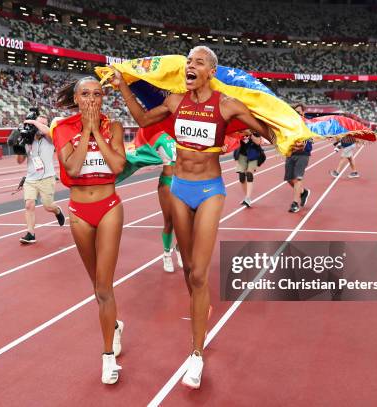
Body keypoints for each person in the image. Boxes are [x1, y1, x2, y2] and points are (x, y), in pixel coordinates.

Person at [110, 46, 276, 389]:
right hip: (179, 189)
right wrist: (123, 85)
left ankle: (196, 354)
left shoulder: (227, 105)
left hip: (210, 190)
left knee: (199, 273)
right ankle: (202, 306)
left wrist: (287, 131)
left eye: (197, 62)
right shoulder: (174, 102)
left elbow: (266, 131)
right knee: (189, 271)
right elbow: (142, 121)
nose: (190, 65)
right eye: (188, 61)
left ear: (210, 72)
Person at [52, 77, 127, 384]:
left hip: (109, 207)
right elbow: (71, 168)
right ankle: (116, 325)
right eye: (85, 94)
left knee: (105, 287)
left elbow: (117, 166)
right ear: (75, 97)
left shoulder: (115, 127)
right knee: (97, 288)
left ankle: (108, 357)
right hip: (80, 212)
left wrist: (97, 130)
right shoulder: (62, 129)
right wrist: (86, 130)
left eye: (97, 94)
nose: (92, 99)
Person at [16, 115, 66, 244]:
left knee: (48, 206)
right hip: (30, 179)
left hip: (47, 178)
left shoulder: (50, 139)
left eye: (43, 124)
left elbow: (47, 131)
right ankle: (30, 233)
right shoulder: (28, 140)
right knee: (29, 205)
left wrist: (33, 121)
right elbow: (20, 161)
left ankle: (57, 211)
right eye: (38, 124)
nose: (39, 127)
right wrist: (20, 147)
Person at [153, 132, 183, 272]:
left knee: (185, 221)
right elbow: (145, 152)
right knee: (169, 221)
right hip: (167, 182)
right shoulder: (159, 137)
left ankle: (179, 248)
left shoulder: (183, 134)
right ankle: (166, 254)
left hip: (185, 182)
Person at [286, 104, 311, 213]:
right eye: (295, 112)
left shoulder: (307, 124)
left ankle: (295, 203)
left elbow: (309, 140)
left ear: (303, 113)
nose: (297, 114)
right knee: (289, 179)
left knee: (298, 178)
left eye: (299, 112)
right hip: (291, 154)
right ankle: (303, 192)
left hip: (303, 154)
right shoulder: (289, 124)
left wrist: (304, 145)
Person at [234, 130, 264, 207]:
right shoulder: (240, 130)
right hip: (242, 155)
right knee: (241, 177)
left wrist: (250, 134)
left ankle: (248, 198)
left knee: (249, 174)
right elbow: (235, 140)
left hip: (253, 155)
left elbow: (258, 142)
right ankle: (246, 197)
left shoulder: (254, 131)